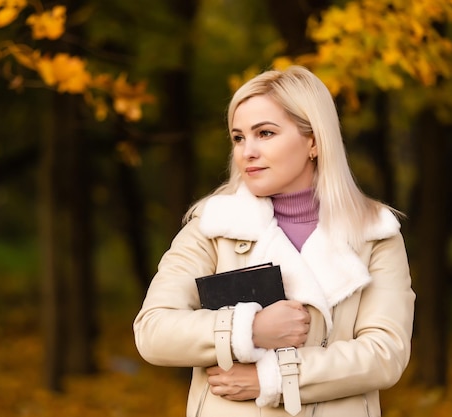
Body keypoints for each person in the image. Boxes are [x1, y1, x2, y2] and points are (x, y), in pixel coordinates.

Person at [133, 65, 415, 417]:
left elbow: (385, 354)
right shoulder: (212, 227)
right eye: (238, 137)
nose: (247, 151)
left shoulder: (374, 234)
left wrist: (274, 378)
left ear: (313, 140)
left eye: (265, 133)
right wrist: (249, 328)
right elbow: (153, 331)